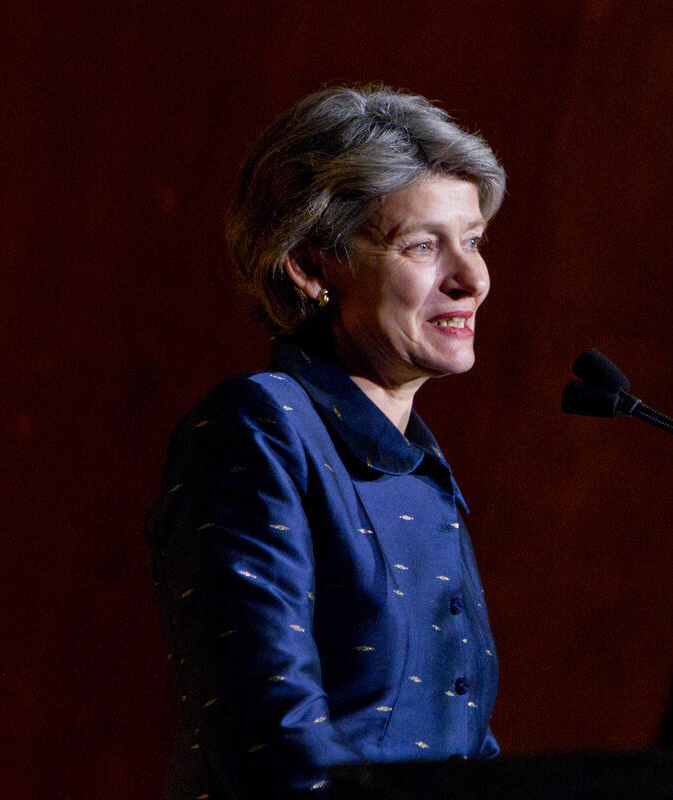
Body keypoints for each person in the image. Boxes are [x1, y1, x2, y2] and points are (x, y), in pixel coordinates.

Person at [145, 84, 505, 799]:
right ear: (312, 267)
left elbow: (465, 745)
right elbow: (273, 736)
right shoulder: (259, 427)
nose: (471, 279)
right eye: (423, 245)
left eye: (471, 240)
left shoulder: (420, 470)